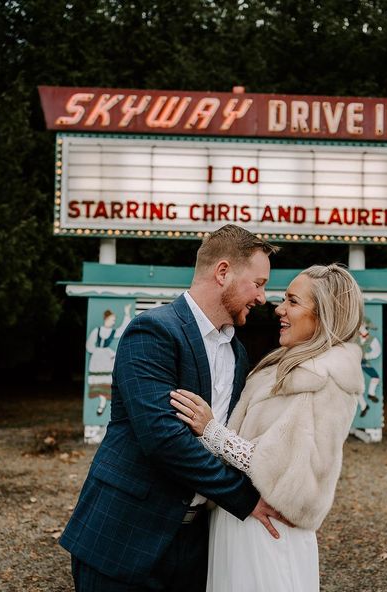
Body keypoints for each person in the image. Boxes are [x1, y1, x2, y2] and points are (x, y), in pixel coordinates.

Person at [60, 224, 286, 592]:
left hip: (196, 545)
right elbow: (163, 439)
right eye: (258, 283)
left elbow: (227, 437)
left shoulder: (238, 352)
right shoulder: (152, 331)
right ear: (223, 272)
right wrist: (245, 499)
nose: (263, 297)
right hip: (123, 534)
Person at [171, 264, 365, 592]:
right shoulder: (286, 366)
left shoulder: (322, 378)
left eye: (292, 301)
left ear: (323, 315)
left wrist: (211, 430)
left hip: (265, 531)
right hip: (240, 517)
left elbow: (280, 468)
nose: (279, 309)